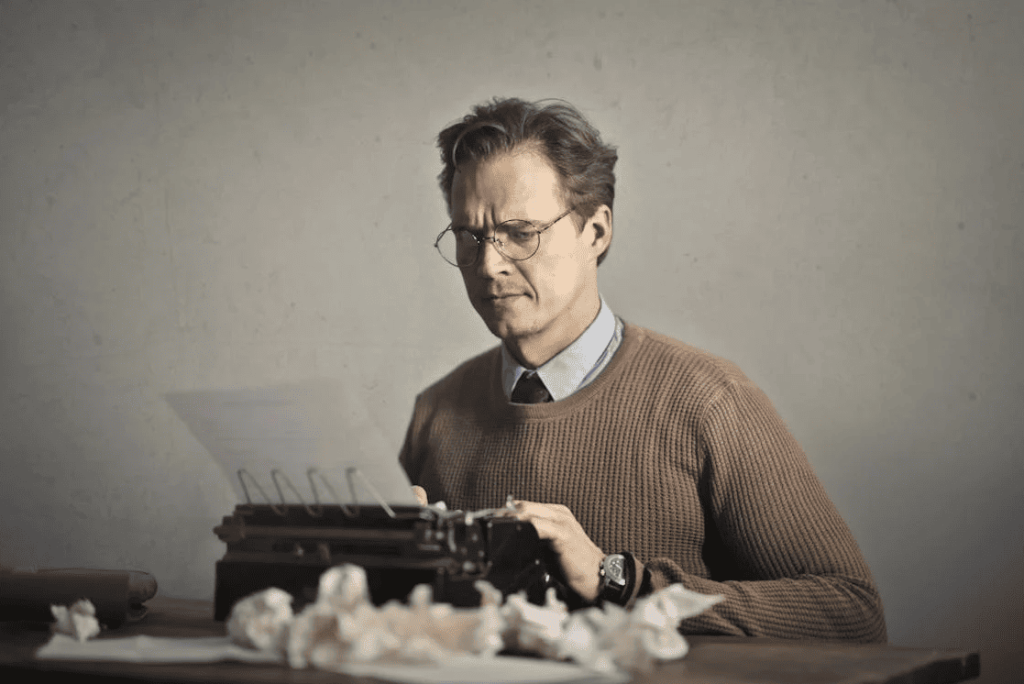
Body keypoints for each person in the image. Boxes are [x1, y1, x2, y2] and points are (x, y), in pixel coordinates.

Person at [399, 97, 887, 643]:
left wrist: (621, 581)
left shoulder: (709, 400)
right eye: (470, 236)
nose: (489, 264)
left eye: (521, 232)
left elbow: (852, 612)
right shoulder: (435, 413)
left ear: (597, 232)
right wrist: (380, 568)